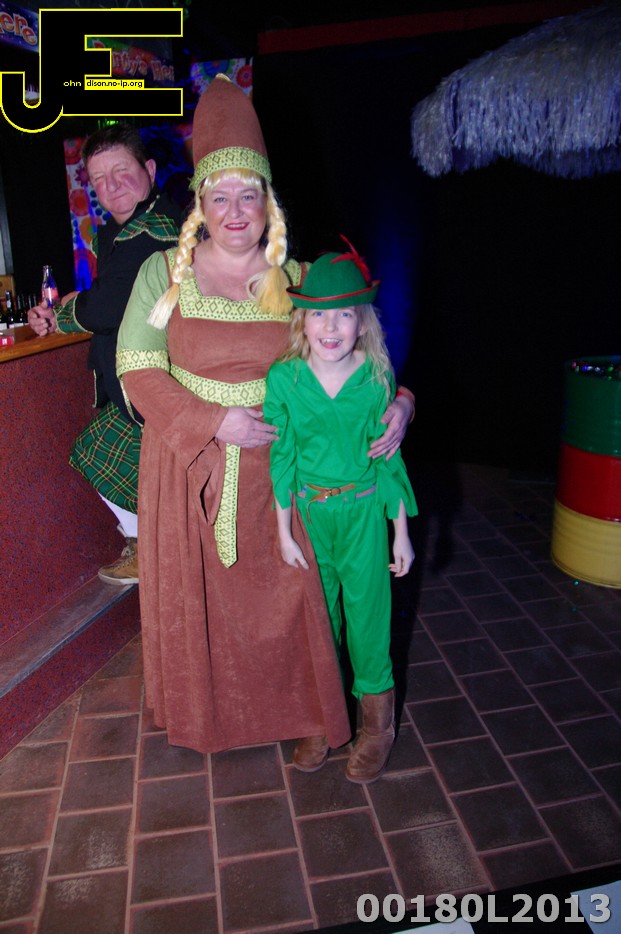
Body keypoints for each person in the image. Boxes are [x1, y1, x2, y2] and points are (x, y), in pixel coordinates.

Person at [116, 75, 414, 754]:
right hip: (194, 465)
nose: (234, 211)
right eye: (219, 196)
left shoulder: (301, 280)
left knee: (298, 599)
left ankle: (309, 714)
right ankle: (221, 715)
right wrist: (214, 421)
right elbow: (136, 369)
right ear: (200, 203)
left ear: (267, 202)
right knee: (213, 604)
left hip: (289, 466)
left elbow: (366, 356)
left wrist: (401, 401)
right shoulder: (164, 275)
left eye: (247, 194)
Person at [264, 243, 417, 783]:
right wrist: (284, 531)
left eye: (345, 314)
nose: (331, 327)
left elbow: (389, 461)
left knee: (369, 619)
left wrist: (400, 532)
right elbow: (281, 458)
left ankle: (376, 726)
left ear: (363, 323)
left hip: (363, 515)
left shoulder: (375, 378)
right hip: (310, 518)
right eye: (319, 314)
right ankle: (323, 718)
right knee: (318, 620)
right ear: (302, 321)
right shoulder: (284, 379)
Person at [27, 123, 181, 585]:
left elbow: (109, 305)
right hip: (148, 381)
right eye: (99, 179)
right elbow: (110, 295)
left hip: (160, 382)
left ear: (149, 169)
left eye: (121, 171)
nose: (111, 186)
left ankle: (156, 551)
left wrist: (63, 314)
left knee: (102, 454)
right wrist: (69, 307)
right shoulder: (129, 226)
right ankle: (150, 547)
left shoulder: (151, 230)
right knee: (105, 454)